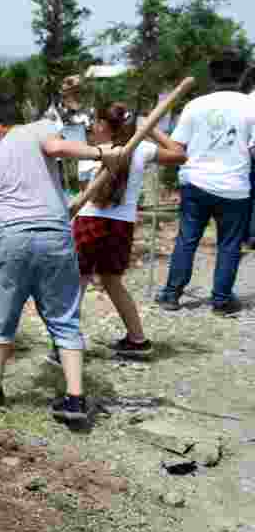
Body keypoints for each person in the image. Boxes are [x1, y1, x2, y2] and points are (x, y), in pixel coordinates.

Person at [0, 96, 126, 423]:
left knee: (0, 316)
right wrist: (103, 153)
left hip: (11, 239)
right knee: (64, 317)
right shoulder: (38, 128)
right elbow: (59, 149)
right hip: (54, 236)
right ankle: (75, 398)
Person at [65, 103, 189, 361]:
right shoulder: (141, 148)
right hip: (122, 225)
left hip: (91, 221)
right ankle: (137, 339)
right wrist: (151, 130)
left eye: (95, 122)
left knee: (77, 282)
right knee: (111, 281)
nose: (92, 127)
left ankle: (66, 345)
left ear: (102, 125)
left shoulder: (95, 151)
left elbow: (81, 188)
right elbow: (179, 153)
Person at [155, 50, 255, 316]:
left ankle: (171, 295)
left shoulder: (195, 106)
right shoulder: (252, 106)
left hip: (195, 183)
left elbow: (177, 148)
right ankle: (221, 301)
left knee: (187, 239)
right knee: (230, 244)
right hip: (234, 188)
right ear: (243, 73)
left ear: (211, 75)